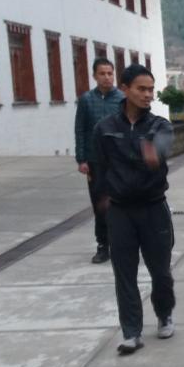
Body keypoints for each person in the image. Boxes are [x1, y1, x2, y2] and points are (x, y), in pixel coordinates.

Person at [91, 64, 176, 356]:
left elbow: (165, 145)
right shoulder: (105, 129)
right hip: (120, 212)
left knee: (160, 271)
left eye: (151, 89)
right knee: (123, 273)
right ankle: (131, 331)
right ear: (124, 89)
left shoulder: (159, 126)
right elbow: (99, 169)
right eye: (141, 89)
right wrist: (101, 200)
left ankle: (164, 314)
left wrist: (155, 153)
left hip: (153, 209)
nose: (148, 95)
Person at [74, 59, 125, 263]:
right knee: (100, 205)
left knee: (120, 204)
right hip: (95, 162)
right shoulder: (86, 100)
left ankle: (122, 244)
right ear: (94, 75)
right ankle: (103, 245)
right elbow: (80, 129)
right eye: (102, 73)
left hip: (118, 162)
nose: (107, 77)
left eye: (110, 73)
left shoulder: (122, 99)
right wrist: (82, 158)